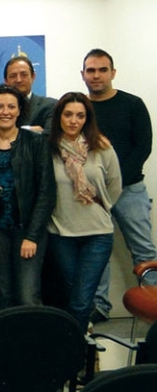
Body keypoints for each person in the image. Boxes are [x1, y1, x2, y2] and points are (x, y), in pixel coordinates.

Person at [81, 48, 157, 323]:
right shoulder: (80, 110)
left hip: (129, 190)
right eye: (91, 70)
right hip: (92, 195)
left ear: (113, 73)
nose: (97, 75)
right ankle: (99, 307)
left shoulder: (133, 104)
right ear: (83, 75)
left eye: (102, 70)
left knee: (145, 252)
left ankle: (155, 310)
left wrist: (115, 181)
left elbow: (143, 146)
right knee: (95, 251)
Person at [47, 92, 122, 331]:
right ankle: (82, 341)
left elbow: (115, 186)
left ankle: (76, 354)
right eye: (68, 114)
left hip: (97, 233)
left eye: (80, 116)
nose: (73, 120)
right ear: (59, 116)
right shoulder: (48, 148)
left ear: (87, 119)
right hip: (61, 232)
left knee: (80, 300)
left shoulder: (102, 147)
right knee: (73, 296)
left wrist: (99, 206)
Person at [0, 85, 55, 309]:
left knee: (27, 295)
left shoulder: (36, 142)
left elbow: (46, 192)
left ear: (20, 110)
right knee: (3, 294)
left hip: (28, 230)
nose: (5, 111)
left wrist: (32, 236)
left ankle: (33, 343)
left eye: (11, 106)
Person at [3, 55, 55, 133]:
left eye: (24, 75)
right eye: (13, 76)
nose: (19, 80)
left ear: (33, 76)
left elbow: (52, 136)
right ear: (6, 81)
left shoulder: (50, 106)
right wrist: (32, 131)